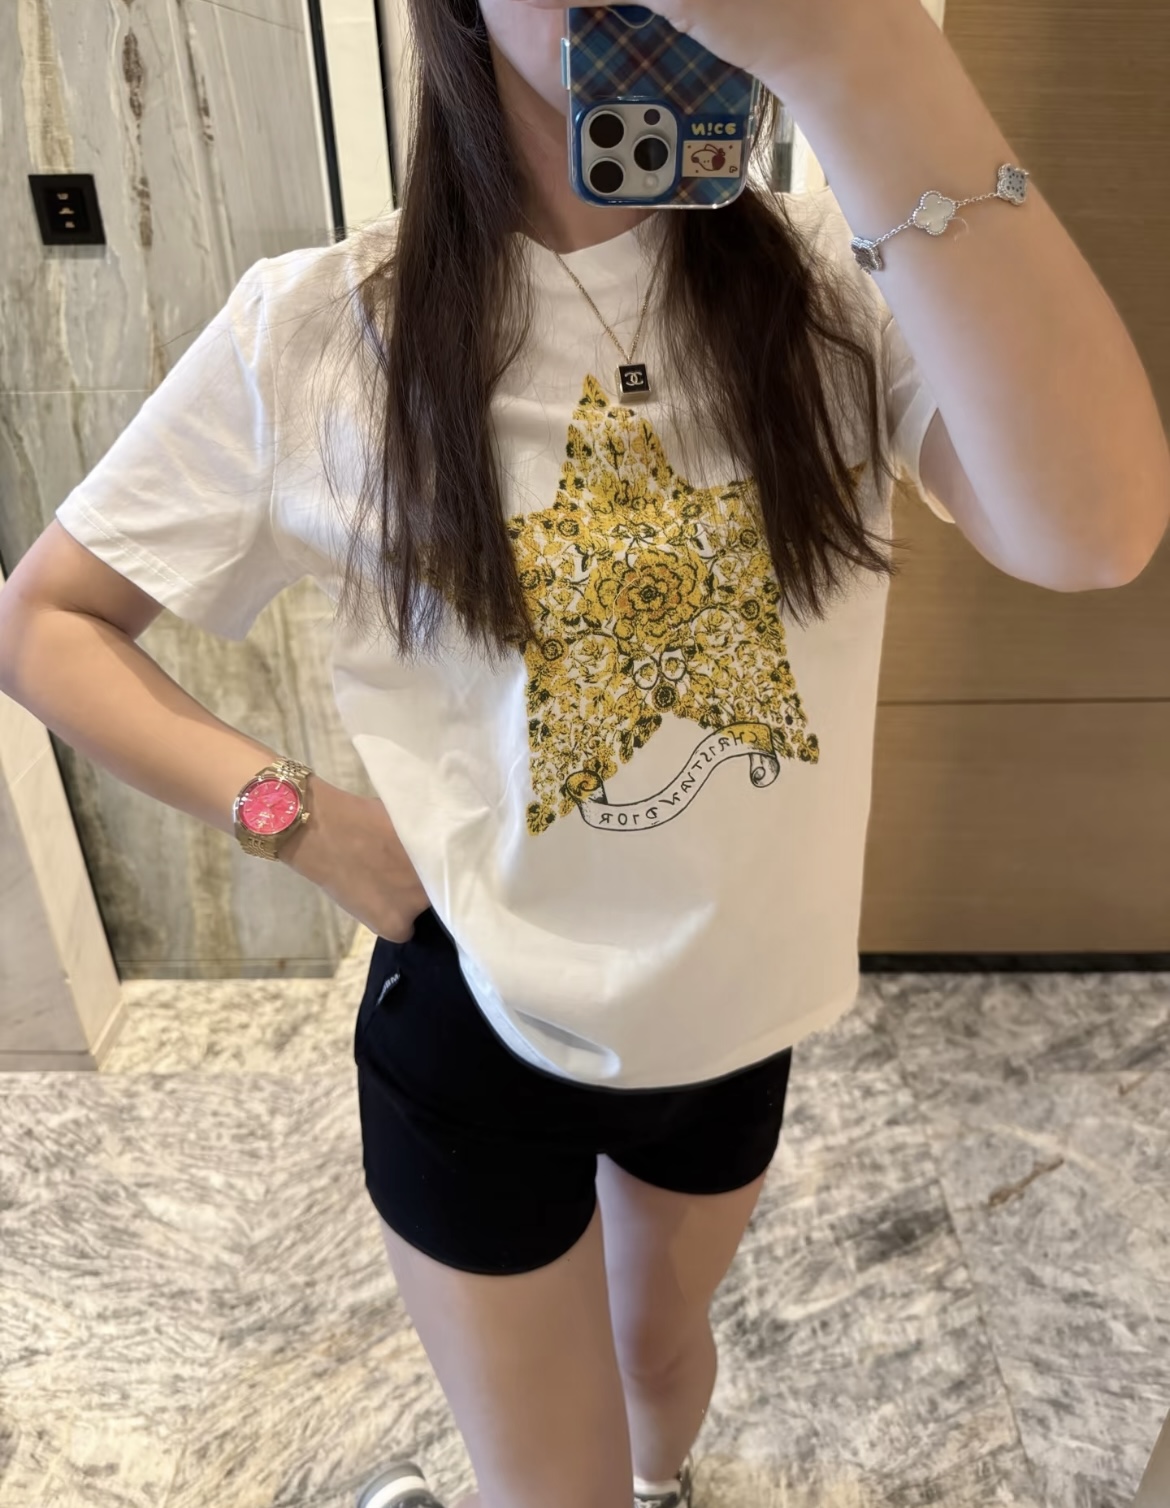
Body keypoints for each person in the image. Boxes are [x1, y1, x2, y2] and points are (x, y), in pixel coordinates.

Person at [6, 0, 1162, 1502]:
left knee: (662, 1365)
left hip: (735, 1020)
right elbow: (46, 622)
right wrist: (306, 824)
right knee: (550, 1483)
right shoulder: (315, 332)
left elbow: (1092, 530)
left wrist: (866, 56)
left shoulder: (844, 281)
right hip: (474, 1026)